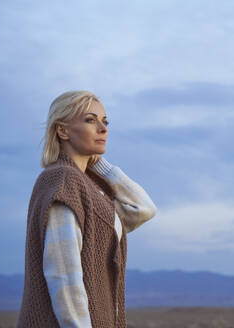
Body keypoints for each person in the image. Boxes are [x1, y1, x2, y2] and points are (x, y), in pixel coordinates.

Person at [17, 90, 157, 327]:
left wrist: (100, 166)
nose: (103, 129)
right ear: (62, 130)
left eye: (105, 121)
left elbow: (142, 209)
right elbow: (64, 277)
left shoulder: (90, 189)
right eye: (90, 120)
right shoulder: (62, 181)